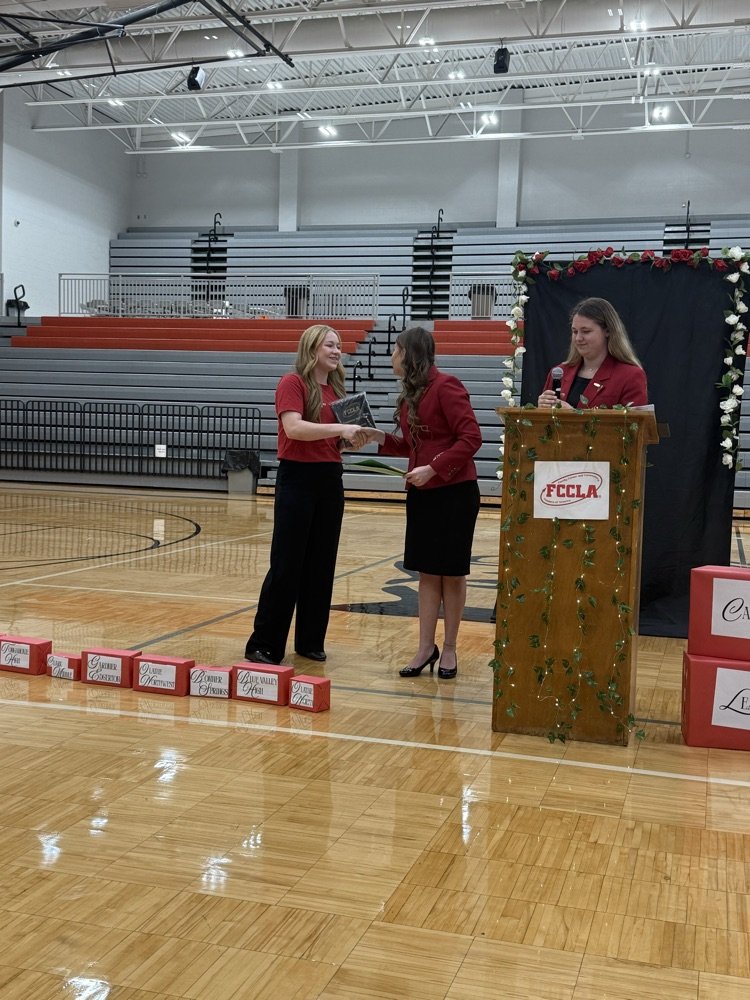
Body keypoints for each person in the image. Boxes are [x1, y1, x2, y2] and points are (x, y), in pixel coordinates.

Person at [364, 326, 482, 680]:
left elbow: (471, 437)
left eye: (395, 350)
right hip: (422, 492)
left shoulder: (447, 386)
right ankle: (424, 647)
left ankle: (449, 649)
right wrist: (379, 437)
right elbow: (415, 445)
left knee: (452, 572)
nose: (391, 357)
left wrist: (435, 468)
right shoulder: (410, 393)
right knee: (427, 572)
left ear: (408, 353)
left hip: (454, 491)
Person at [244, 324, 366, 666]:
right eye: (330, 345)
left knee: (321, 564)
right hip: (297, 478)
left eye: (339, 346)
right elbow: (294, 428)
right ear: (312, 348)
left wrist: (351, 439)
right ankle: (264, 643)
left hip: (329, 479)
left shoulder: (337, 390)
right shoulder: (292, 383)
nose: (336, 350)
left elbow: (330, 439)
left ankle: (310, 640)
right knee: (287, 565)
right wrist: (340, 428)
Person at [537, 297, 648, 409]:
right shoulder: (559, 373)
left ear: (608, 331)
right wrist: (541, 411)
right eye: (575, 331)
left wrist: (573, 416)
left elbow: (634, 425)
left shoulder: (630, 376)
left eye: (586, 331)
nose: (578, 338)